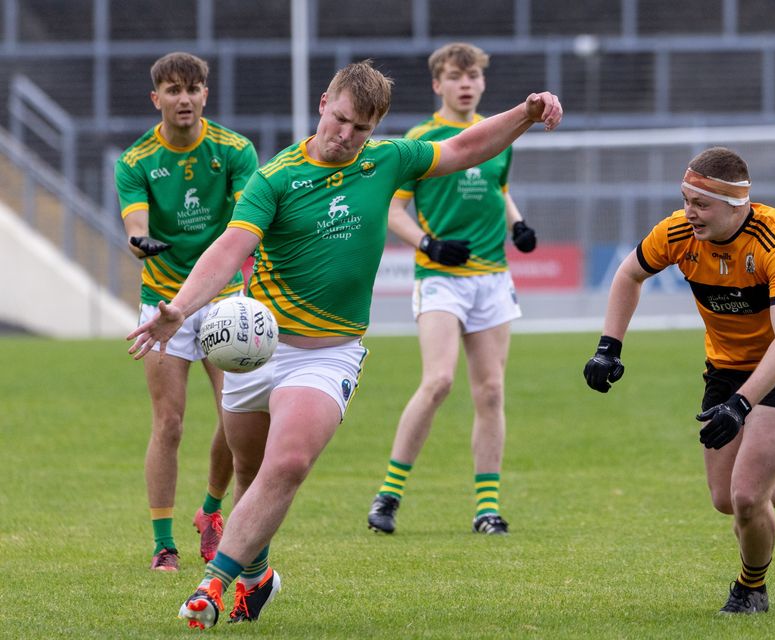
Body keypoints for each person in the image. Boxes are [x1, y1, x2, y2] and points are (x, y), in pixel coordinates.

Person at [128, 60, 561, 628]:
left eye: (360, 127)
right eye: (340, 119)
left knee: (287, 462)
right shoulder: (276, 176)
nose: (346, 135)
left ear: (374, 126)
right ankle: (258, 576)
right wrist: (179, 309)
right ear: (323, 104)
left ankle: (215, 585)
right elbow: (230, 249)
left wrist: (525, 115)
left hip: (328, 355)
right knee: (249, 473)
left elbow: (465, 147)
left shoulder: (386, 160)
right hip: (260, 349)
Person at [582, 147, 775, 614]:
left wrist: (741, 404)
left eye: (701, 204)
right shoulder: (679, 233)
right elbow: (628, 275)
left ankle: (751, 589)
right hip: (726, 366)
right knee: (726, 498)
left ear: (736, 204)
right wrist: (609, 346)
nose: (690, 212)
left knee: (748, 495)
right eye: (686, 199)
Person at [366, 43, 537, 537]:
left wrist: (518, 223)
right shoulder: (421, 140)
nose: (466, 83)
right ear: (437, 84)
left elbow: (500, 189)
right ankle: (389, 495)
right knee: (438, 381)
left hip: (492, 277)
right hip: (439, 277)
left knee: (491, 390)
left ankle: (487, 509)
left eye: (473, 76)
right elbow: (393, 210)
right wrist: (428, 244)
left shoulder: (497, 134)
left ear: (482, 83)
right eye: (455, 76)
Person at [115, 51, 259, 572]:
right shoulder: (135, 161)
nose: (184, 99)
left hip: (219, 299)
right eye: (173, 90)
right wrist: (141, 243)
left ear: (205, 94)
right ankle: (162, 544)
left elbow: (246, 219)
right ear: (156, 99)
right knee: (170, 424)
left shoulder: (235, 150)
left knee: (236, 418)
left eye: (193, 89)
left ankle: (212, 511)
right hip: (162, 302)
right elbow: (135, 226)